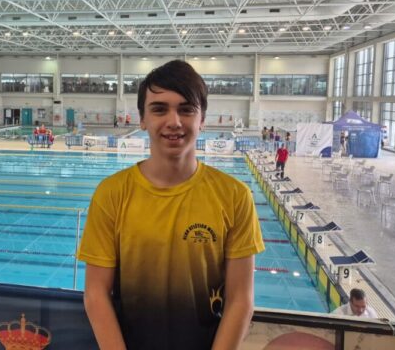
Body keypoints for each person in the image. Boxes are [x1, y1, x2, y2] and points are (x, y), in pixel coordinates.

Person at [79, 60, 265, 349]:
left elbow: (241, 300)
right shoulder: (111, 194)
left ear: (202, 119)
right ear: (142, 119)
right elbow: (95, 294)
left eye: (186, 109)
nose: (174, 121)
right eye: (159, 109)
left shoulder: (235, 196)